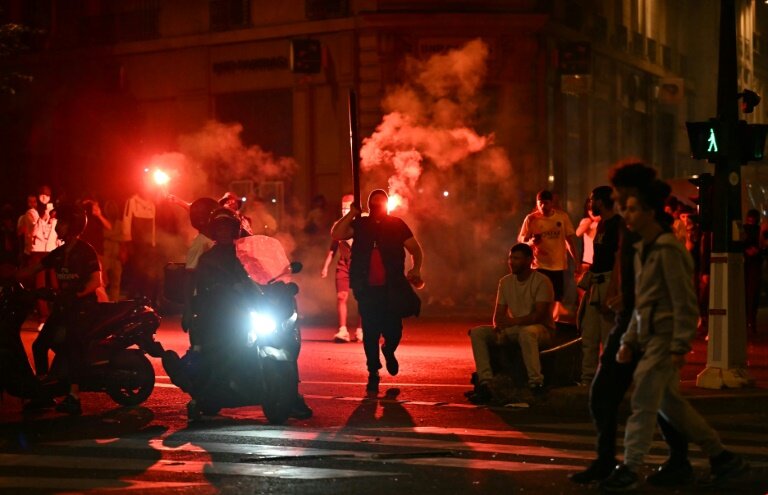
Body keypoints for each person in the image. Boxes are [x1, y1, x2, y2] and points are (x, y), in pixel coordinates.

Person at [601, 179, 748, 491]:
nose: (626, 216)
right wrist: (629, 340)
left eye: (632, 209)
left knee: (643, 400)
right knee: (670, 405)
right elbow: (644, 301)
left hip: (665, 340)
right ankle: (722, 457)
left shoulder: (668, 250)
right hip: (651, 338)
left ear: (650, 212)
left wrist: (679, 345)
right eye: (624, 210)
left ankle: (630, 465)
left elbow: (684, 301)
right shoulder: (645, 250)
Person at [570, 162, 690, 487]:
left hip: (644, 327)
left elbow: (676, 292)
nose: (620, 203)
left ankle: (649, 463)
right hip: (631, 323)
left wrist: (676, 341)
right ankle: (611, 460)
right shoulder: (627, 228)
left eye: (624, 196)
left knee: (649, 399)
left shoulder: (648, 232)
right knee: (627, 395)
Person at [190, 207, 312, 419]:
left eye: (228, 228)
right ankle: (215, 387)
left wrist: (277, 287)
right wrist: (221, 289)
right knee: (226, 344)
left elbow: (259, 277)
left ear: (235, 230)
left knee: (285, 341)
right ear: (214, 232)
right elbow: (204, 288)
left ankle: (291, 396)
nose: (224, 233)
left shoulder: (243, 255)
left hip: (247, 308)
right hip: (221, 314)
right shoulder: (207, 260)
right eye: (220, 229)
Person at [331, 189, 423, 393]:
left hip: (391, 289)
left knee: (394, 331)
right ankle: (373, 369)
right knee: (371, 333)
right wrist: (351, 214)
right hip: (367, 289)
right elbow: (337, 234)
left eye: (381, 204)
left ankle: (388, 351)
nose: (377, 208)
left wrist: (415, 269)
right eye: (373, 204)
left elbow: (415, 249)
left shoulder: (397, 225)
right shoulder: (361, 224)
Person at [17, 203, 103, 415]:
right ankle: (43, 393)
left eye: (62, 223)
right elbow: (33, 269)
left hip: (83, 308)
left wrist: (77, 294)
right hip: (65, 307)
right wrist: (11, 276)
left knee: (73, 345)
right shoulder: (59, 253)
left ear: (72, 225)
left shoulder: (86, 251)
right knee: (39, 345)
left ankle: (74, 397)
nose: (58, 227)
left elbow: (96, 281)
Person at [466, 243, 554, 404]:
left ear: (529, 260)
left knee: (527, 332)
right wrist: (499, 327)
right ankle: (486, 383)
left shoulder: (542, 281)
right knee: (478, 332)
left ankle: (536, 383)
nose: (511, 262)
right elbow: (499, 314)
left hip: (541, 330)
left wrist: (512, 322)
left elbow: (538, 316)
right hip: (515, 329)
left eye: (517, 258)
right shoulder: (505, 282)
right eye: (510, 258)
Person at [577, 186, 621, 386]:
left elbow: (619, 260)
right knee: (589, 336)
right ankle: (588, 379)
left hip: (607, 284)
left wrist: (612, 293)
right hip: (596, 284)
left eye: (592, 200)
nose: (590, 204)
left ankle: (611, 380)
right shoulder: (602, 224)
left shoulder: (618, 225)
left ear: (600, 202)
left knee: (608, 336)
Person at [517, 190, 580, 315]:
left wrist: (577, 262)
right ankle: (539, 323)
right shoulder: (531, 219)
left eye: (545, 203)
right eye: (540, 203)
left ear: (551, 203)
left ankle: (552, 324)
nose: (543, 207)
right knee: (539, 297)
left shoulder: (562, 217)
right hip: (539, 265)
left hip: (558, 265)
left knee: (555, 298)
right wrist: (531, 241)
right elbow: (521, 240)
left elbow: (569, 241)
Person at [321, 194, 362, 343]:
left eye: (348, 207)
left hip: (359, 264)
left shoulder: (362, 223)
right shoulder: (338, 224)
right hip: (343, 264)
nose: (345, 210)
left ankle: (360, 330)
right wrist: (326, 266)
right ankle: (343, 330)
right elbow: (333, 248)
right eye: (343, 208)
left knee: (362, 298)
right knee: (341, 296)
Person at [744, 209, 762, 335]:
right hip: (752, 264)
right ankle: (751, 322)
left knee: (750, 293)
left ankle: (749, 321)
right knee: (751, 294)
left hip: (749, 264)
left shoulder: (745, 229)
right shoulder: (759, 230)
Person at [576, 197, 599, 273]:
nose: (592, 212)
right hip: (588, 261)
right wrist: (589, 221)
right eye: (589, 210)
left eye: (594, 209)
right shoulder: (587, 221)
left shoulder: (606, 222)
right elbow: (578, 233)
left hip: (600, 260)